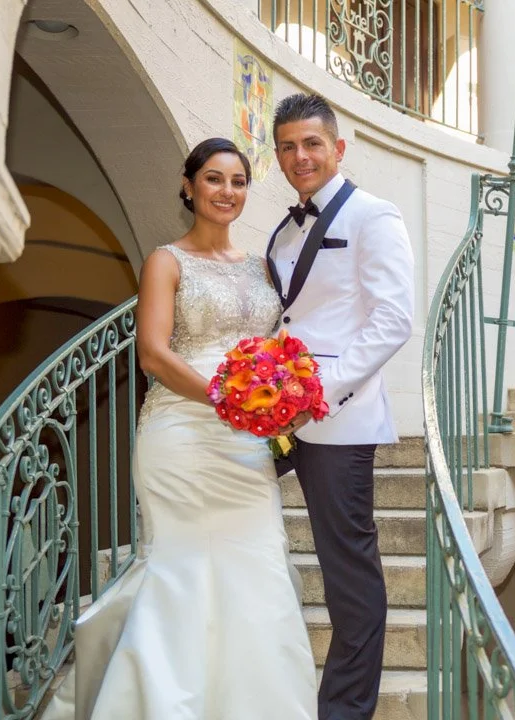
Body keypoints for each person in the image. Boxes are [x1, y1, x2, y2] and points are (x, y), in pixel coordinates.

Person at [41, 137, 317, 719]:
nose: (227, 192)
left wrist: (281, 397)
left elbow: (275, 347)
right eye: (214, 179)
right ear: (189, 186)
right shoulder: (165, 260)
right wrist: (225, 397)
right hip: (182, 437)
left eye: (238, 181)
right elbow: (153, 355)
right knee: (181, 570)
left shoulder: (261, 265)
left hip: (246, 447)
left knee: (257, 566)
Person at [267, 93, 415, 720]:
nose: (300, 156)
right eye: (288, 147)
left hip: (337, 417)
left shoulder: (375, 216)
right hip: (273, 414)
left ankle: (345, 711)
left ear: (338, 148)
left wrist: (317, 395)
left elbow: (393, 321)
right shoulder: (285, 225)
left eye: (312, 144)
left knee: (348, 576)